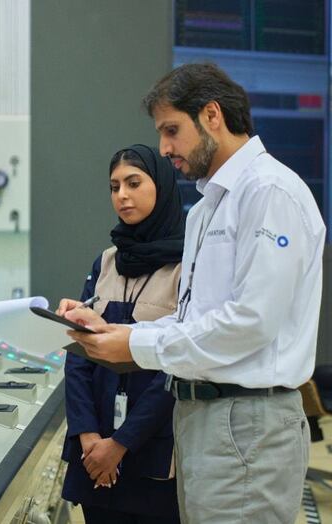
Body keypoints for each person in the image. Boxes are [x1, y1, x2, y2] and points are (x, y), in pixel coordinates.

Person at [65, 63, 326, 523]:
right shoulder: (207, 208)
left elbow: (251, 323)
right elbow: (192, 320)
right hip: (200, 418)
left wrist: (135, 343)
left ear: (211, 116)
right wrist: (116, 330)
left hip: (249, 420)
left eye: (171, 131)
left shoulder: (271, 192)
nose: (165, 148)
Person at [58, 145, 184, 524]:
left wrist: (121, 443)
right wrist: (88, 437)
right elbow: (77, 353)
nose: (122, 196)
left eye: (133, 183)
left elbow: (176, 369)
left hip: (150, 450)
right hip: (92, 450)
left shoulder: (187, 267)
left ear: (160, 187)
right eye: (114, 187)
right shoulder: (107, 262)